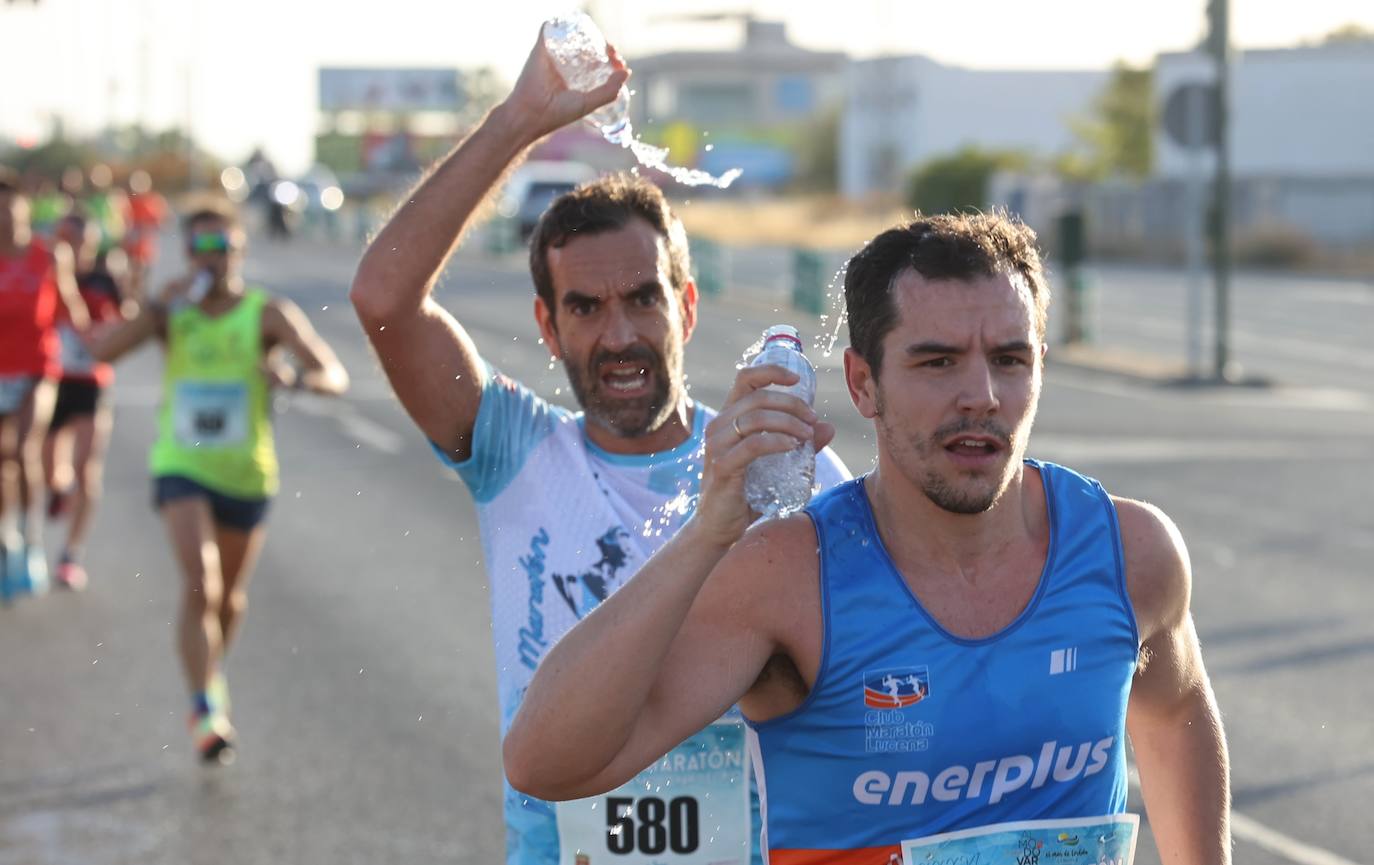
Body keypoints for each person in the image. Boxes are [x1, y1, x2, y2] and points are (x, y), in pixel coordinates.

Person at [505, 212, 1232, 864]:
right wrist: (706, 535)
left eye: (1009, 358)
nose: (980, 393)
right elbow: (546, 761)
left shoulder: (1131, 552)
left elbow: (1174, 711)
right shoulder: (789, 575)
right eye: (937, 360)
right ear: (862, 384)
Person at [349, 27, 851, 865]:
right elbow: (383, 297)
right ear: (547, 325)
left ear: (686, 307)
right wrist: (518, 122)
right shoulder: (516, 452)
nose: (620, 335)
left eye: (643, 300)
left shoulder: (779, 463)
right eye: (585, 307)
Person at [90, 200, 349, 762]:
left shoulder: (266, 313)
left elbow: (333, 373)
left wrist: (296, 377)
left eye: (225, 247)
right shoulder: (172, 310)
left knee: (228, 598)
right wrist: (156, 305)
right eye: (203, 247)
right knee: (201, 584)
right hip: (181, 463)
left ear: (240, 251)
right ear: (188, 253)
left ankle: (210, 677)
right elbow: (105, 351)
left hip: (247, 471)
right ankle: (205, 703)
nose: (215, 257)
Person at [0, 167, 88, 602]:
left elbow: (71, 307)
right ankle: (7, 540)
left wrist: (90, 332)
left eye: (11, 212)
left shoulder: (49, 256)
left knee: (22, 448)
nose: (5, 221)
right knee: (2, 462)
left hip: (38, 368)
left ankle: (31, 537)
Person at [42, 210, 129, 590]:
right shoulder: (43, 273)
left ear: (92, 243)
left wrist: (104, 332)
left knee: (87, 470)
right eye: (65, 239)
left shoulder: (105, 277)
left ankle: (70, 555)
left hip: (91, 382)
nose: (72, 247)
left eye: (79, 241)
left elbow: (129, 322)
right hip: (49, 381)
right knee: (48, 469)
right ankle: (59, 492)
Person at [122, 168, 168, 304]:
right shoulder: (127, 202)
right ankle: (132, 304)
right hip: (129, 249)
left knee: (142, 281)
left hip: (146, 250)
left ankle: (138, 305)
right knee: (129, 280)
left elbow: (163, 222)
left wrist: (146, 226)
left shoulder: (154, 201)